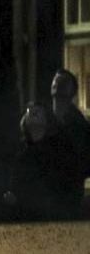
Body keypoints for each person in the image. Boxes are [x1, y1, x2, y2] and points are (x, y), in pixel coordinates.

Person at [3, 103, 73, 220]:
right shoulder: (19, 150)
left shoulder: (56, 150)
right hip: (21, 215)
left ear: (47, 120)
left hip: (49, 215)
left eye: (38, 111)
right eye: (30, 111)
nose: (33, 112)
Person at [48, 68, 90, 216]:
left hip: (68, 192)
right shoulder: (44, 118)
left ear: (72, 91)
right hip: (44, 190)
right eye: (55, 80)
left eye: (63, 82)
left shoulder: (79, 124)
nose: (57, 83)